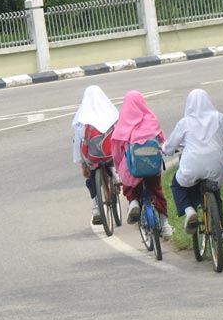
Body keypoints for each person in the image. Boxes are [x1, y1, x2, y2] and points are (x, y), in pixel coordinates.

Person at [162, 89, 223, 239]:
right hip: (217, 165)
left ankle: (189, 211)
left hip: (192, 166)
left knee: (177, 185)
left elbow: (169, 147)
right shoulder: (220, 118)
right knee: (214, 189)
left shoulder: (185, 123)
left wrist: (165, 150)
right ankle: (221, 226)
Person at [110, 90, 174, 239]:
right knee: (157, 191)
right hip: (152, 167)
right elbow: (161, 140)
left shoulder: (123, 124)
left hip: (133, 168)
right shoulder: (151, 119)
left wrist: (119, 167)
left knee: (129, 183)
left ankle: (133, 202)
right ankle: (165, 225)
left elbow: (117, 152)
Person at [72, 85, 119, 225]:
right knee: (111, 157)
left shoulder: (82, 119)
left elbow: (78, 143)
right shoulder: (112, 114)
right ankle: (114, 172)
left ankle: (96, 208)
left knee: (91, 177)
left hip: (91, 157)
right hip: (110, 154)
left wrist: (82, 163)